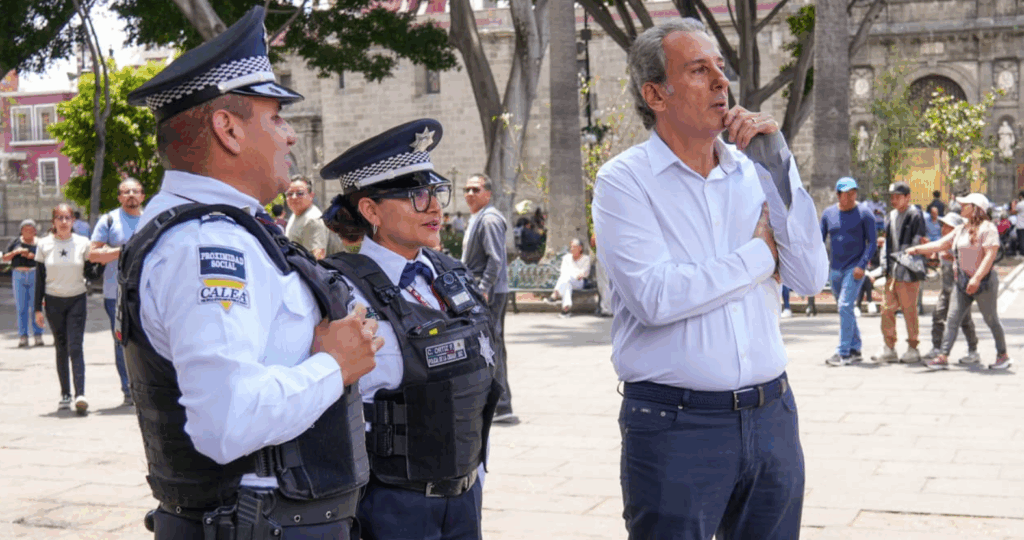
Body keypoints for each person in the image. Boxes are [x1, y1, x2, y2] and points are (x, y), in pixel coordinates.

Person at [121, 8, 380, 538]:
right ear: (229, 129)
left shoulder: (228, 229)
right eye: (276, 117)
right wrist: (335, 364)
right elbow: (228, 419)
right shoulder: (207, 243)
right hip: (260, 523)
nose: (290, 136)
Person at [592, 20, 828, 539]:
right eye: (699, 70)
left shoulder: (756, 170)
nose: (722, 81)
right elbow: (656, 296)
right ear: (656, 94)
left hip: (772, 416)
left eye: (720, 67)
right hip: (676, 426)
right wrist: (759, 256)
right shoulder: (624, 181)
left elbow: (810, 276)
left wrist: (779, 161)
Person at [319, 118, 499, 540]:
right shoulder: (340, 291)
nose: (435, 207)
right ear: (371, 210)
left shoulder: (450, 273)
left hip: (464, 495)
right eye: (417, 196)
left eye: (436, 192)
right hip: (390, 504)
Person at [908, 193, 1013, 370]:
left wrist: (977, 278)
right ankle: (943, 356)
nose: (961, 208)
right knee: (952, 318)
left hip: (984, 282)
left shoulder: (988, 229)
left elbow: (990, 256)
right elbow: (940, 244)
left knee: (991, 319)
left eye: (965, 205)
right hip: (963, 282)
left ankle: (1003, 355)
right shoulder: (961, 229)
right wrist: (916, 249)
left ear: (976, 208)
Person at [462, 173, 517, 425]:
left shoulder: (490, 220)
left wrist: (483, 288)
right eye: (466, 189)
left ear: (488, 193)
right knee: (490, 345)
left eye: (476, 189)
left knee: (490, 346)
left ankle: (501, 405)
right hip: (484, 289)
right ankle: (497, 403)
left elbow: (495, 260)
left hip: (489, 292)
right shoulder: (479, 218)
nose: (469, 194)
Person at [89, 178, 145, 407]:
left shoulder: (151, 219)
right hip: (116, 295)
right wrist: (123, 251)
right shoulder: (109, 220)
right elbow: (93, 254)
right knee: (123, 342)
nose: (131, 194)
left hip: (148, 293)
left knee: (150, 341)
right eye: (126, 191)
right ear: (120, 197)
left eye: (135, 191)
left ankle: (148, 387)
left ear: (142, 195)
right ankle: (128, 389)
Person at [34, 203, 92, 413]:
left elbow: (91, 271)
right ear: (54, 221)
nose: (64, 222)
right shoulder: (44, 244)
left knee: (76, 346)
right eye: (60, 218)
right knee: (61, 347)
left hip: (77, 299)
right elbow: (39, 278)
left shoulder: (83, 243)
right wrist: (37, 309)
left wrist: (100, 266)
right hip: (53, 301)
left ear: (73, 221)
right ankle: (65, 393)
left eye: (67, 218)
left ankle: (80, 394)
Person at [821, 177, 877, 366]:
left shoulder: (865, 213)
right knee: (845, 309)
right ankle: (855, 348)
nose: (851, 196)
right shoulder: (828, 214)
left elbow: (872, 243)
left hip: (854, 268)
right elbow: (820, 241)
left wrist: (862, 265)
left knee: (845, 306)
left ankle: (842, 352)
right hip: (835, 269)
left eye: (853, 192)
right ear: (838, 195)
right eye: (847, 193)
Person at [872, 181, 927, 364]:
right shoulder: (890, 216)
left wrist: (903, 262)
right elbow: (887, 243)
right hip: (892, 271)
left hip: (908, 271)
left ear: (907, 197)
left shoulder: (915, 215)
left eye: (897, 196)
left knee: (909, 310)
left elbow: (916, 242)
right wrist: (884, 266)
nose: (894, 200)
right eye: (892, 197)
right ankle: (889, 347)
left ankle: (913, 348)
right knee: (886, 309)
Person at [918, 212, 980, 364]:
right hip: (946, 289)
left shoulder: (963, 243)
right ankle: (936, 348)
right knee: (937, 316)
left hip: (960, 289)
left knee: (965, 320)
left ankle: (973, 351)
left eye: (947, 226)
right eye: (943, 225)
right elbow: (934, 258)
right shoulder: (942, 243)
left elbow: (971, 263)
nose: (943, 229)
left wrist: (952, 258)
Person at [4, 219, 45, 348]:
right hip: (18, 275)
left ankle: (38, 335)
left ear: (35, 231)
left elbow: (46, 258)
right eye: (25, 229)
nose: (28, 232)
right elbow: (4, 257)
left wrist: (32, 256)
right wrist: (16, 252)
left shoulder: (40, 243)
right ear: (21, 231)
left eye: (30, 229)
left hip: (34, 274)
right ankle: (23, 336)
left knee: (36, 306)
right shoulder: (15, 242)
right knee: (21, 307)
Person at [284, 176, 329, 259]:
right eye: (290, 194)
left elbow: (318, 257)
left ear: (311, 195)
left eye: (299, 193)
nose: (294, 197)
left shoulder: (312, 219)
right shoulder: (296, 213)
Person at [544, 238, 591, 318]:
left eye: (574, 247)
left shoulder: (586, 259)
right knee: (567, 282)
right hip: (567, 281)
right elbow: (563, 271)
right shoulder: (566, 258)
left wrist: (577, 275)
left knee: (566, 277)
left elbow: (584, 273)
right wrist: (575, 273)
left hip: (579, 282)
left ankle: (555, 294)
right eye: (571, 247)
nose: (571, 249)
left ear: (580, 248)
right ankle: (566, 309)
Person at [1014, 190, 1024, 258]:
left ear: (1021, 196)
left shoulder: (1020, 204)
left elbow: (1014, 211)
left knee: (1021, 240)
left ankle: (1022, 254)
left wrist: (1015, 203)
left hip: (1021, 225)